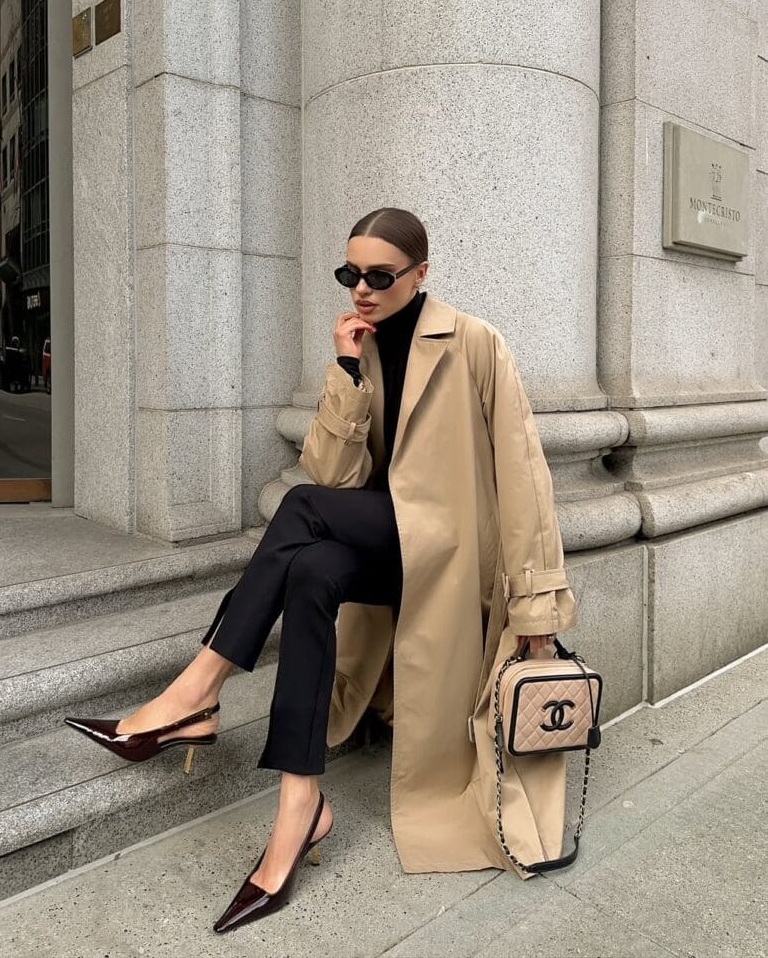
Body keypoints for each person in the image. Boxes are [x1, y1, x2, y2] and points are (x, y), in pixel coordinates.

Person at [64, 207, 575, 934]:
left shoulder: (474, 343)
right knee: (309, 569)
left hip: (448, 555)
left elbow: (524, 477)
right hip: (385, 543)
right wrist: (341, 369)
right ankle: (301, 804)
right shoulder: (358, 346)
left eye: (378, 275)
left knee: (298, 510)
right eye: (348, 274)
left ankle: (194, 694)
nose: (360, 289)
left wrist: (536, 607)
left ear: (420, 274)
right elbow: (333, 474)